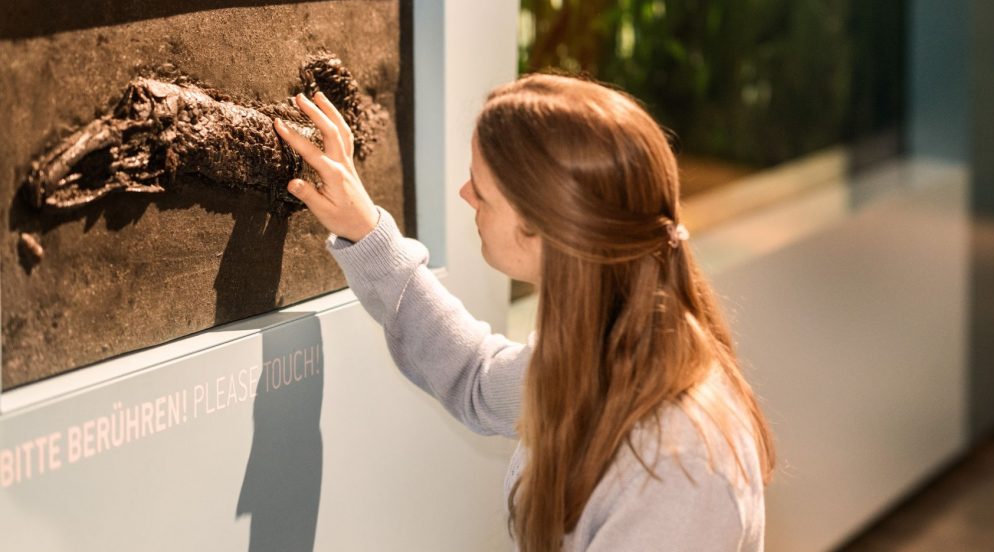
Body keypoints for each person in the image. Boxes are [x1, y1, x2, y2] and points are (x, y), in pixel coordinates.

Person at [274, 73, 777, 551]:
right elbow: (477, 376)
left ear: (542, 227)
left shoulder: (677, 466)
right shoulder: (611, 348)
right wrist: (367, 230)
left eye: (482, 189)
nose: (465, 194)